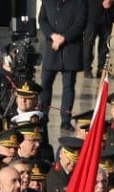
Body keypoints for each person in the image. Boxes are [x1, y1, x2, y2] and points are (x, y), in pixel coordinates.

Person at [38, 0, 88, 132]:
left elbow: (81, 21)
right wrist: (53, 35)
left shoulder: (80, 2)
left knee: (68, 87)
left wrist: (64, 38)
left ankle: (65, 120)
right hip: (52, 47)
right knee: (45, 84)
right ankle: (42, 116)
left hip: (70, 49)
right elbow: (42, 20)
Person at [84, 0, 114, 78]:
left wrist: (111, 0)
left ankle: (102, 70)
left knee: (105, 43)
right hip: (92, 12)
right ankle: (87, 69)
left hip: (108, 13)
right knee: (89, 43)